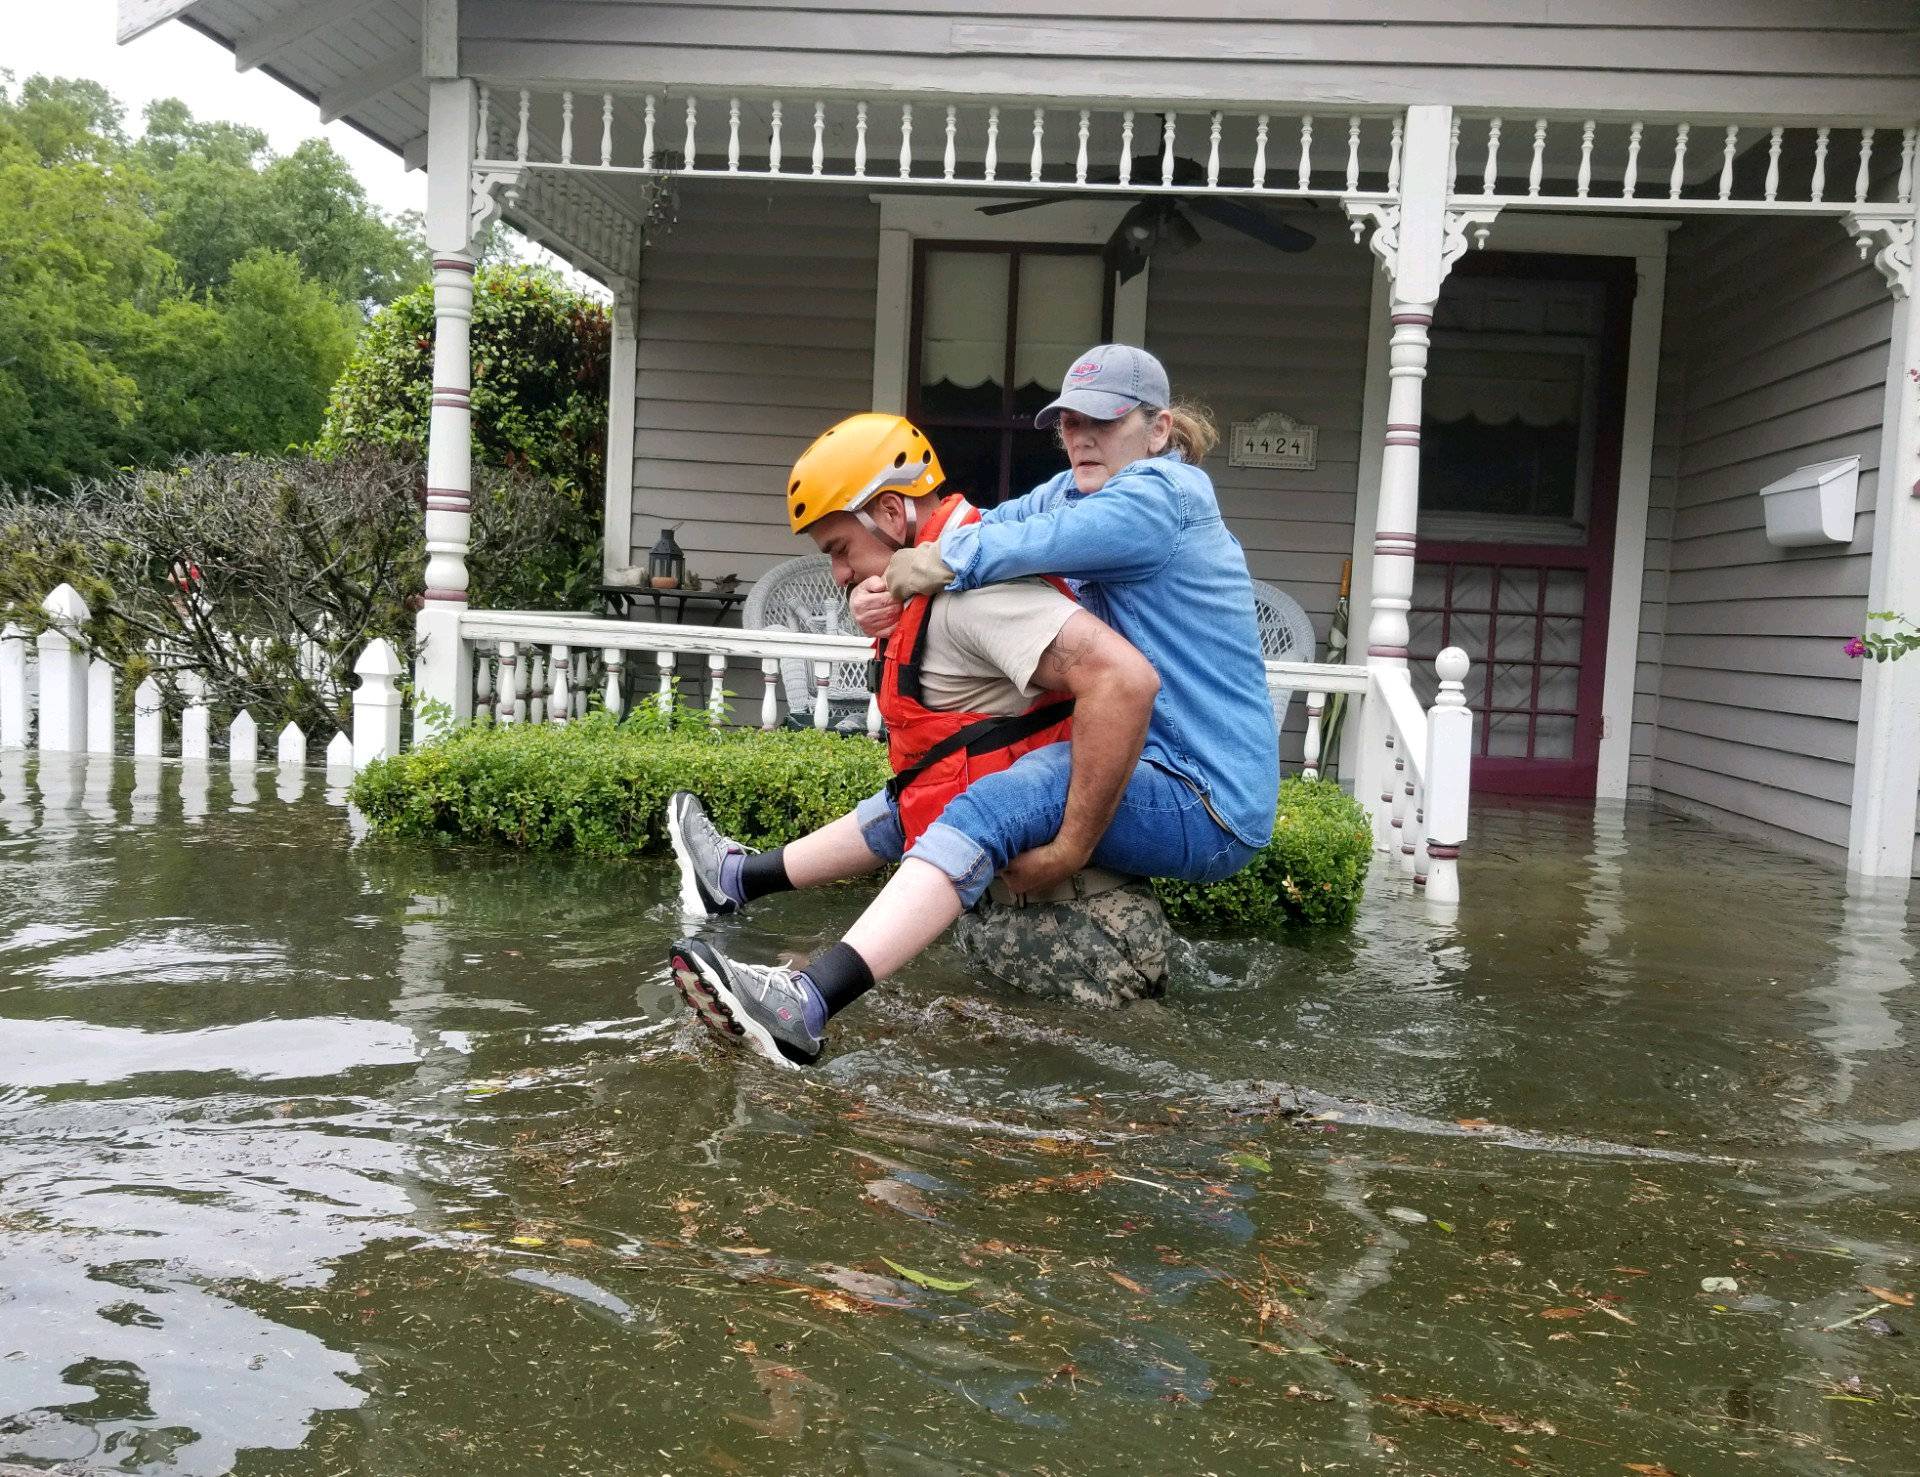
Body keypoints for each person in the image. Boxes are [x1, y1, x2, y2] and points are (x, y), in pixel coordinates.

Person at [670, 345, 1278, 1066]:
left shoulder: (1163, 495)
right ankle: (736, 878)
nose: (1081, 436)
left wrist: (1071, 848)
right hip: (1157, 764)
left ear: (1157, 429)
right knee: (950, 777)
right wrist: (891, 579)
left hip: (1207, 796)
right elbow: (990, 524)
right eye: (1068, 421)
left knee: (991, 802)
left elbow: (1033, 546)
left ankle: (809, 1001)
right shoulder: (1079, 490)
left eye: (1104, 420)